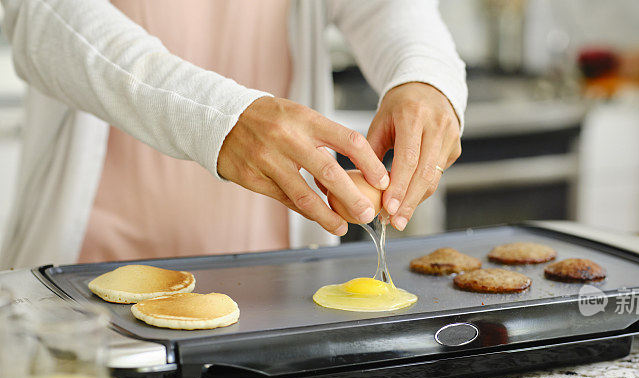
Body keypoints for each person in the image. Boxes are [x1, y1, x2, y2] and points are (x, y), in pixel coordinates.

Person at [0, 0, 466, 267]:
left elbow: (385, 8)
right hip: (88, 266)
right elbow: (41, 15)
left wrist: (424, 75)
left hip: (274, 273)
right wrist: (216, 116)